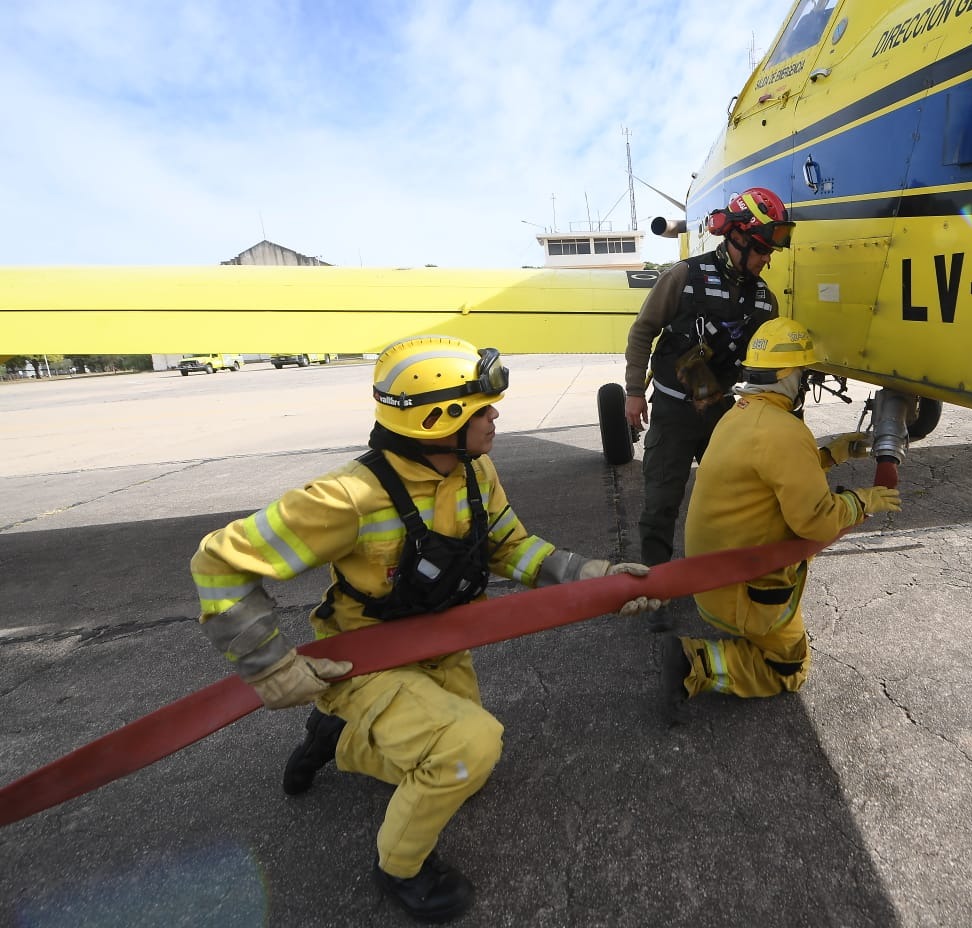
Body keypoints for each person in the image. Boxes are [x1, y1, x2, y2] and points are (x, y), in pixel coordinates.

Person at [190, 335, 662, 923]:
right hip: (366, 662)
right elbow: (218, 561)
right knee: (467, 748)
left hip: (441, 648)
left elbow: (509, 546)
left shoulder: (475, 470)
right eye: (481, 408)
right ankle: (399, 870)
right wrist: (271, 667)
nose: (494, 417)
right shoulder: (348, 498)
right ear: (439, 418)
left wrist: (592, 578)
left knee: (466, 768)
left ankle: (338, 739)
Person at [655, 317, 901, 718]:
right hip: (745, 595)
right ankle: (693, 663)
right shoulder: (784, 430)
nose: (804, 383)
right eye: (803, 374)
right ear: (788, 376)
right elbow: (817, 521)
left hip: (712, 579)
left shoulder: (739, 416)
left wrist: (835, 453)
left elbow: (776, 474)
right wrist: (863, 501)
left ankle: (716, 650)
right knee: (790, 667)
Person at [623, 187, 795, 585]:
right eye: (762, 250)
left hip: (722, 413)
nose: (768, 260)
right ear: (736, 238)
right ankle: (657, 585)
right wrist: (634, 392)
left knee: (733, 497)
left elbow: (765, 363)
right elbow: (642, 331)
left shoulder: (767, 302)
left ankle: (726, 577)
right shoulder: (683, 277)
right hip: (672, 411)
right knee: (662, 501)